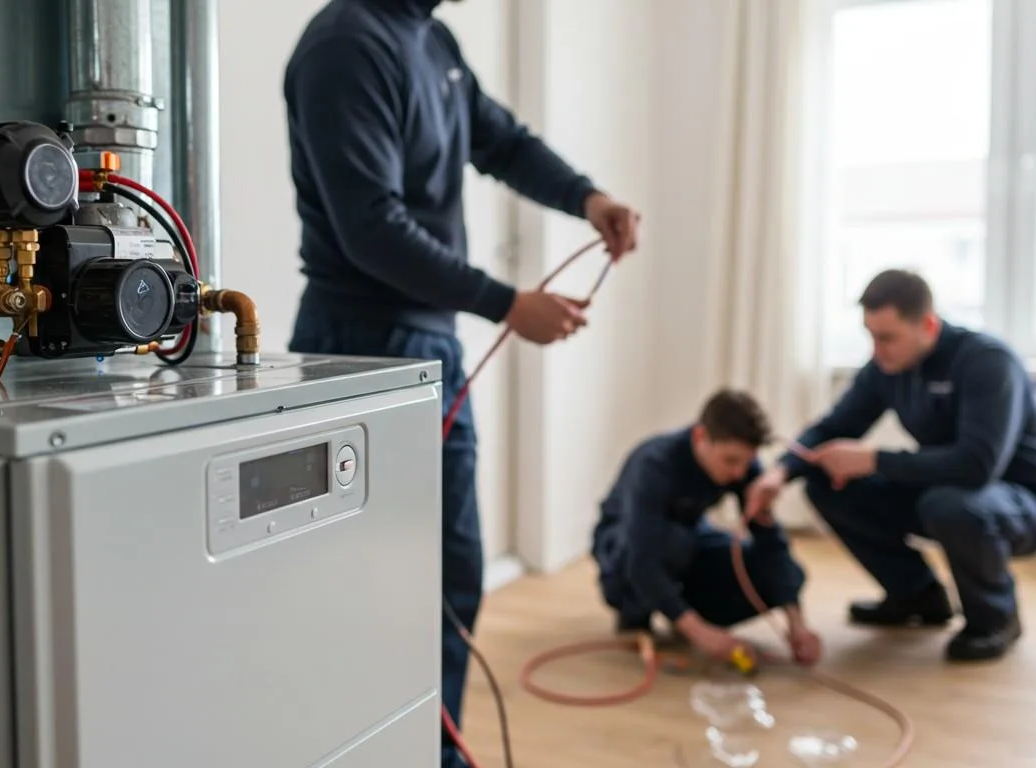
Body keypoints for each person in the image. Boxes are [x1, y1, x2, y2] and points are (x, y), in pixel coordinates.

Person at [282, 1, 640, 764]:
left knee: (450, 577)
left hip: (428, 346)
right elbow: (370, 225)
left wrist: (588, 197)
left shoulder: (431, 40)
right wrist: (506, 303)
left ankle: (429, 751)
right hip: (361, 348)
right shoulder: (347, 46)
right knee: (377, 593)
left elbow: (503, 142)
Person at [746, 269, 1036, 662]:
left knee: (950, 504)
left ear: (927, 324)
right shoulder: (885, 367)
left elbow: (977, 465)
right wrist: (781, 472)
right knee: (827, 484)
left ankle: (994, 618)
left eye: (886, 337)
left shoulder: (987, 362)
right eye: (870, 335)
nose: (876, 350)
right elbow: (833, 427)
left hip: (1022, 504)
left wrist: (874, 459)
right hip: (945, 492)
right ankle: (917, 596)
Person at [591, 389, 822, 667]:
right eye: (730, 461)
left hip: (690, 541)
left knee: (788, 575)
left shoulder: (743, 464)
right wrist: (702, 635)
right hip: (627, 555)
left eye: (746, 462)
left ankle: (684, 612)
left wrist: (796, 624)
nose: (739, 473)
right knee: (672, 544)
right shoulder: (653, 465)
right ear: (701, 437)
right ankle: (636, 613)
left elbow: (770, 542)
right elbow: (642, 561)